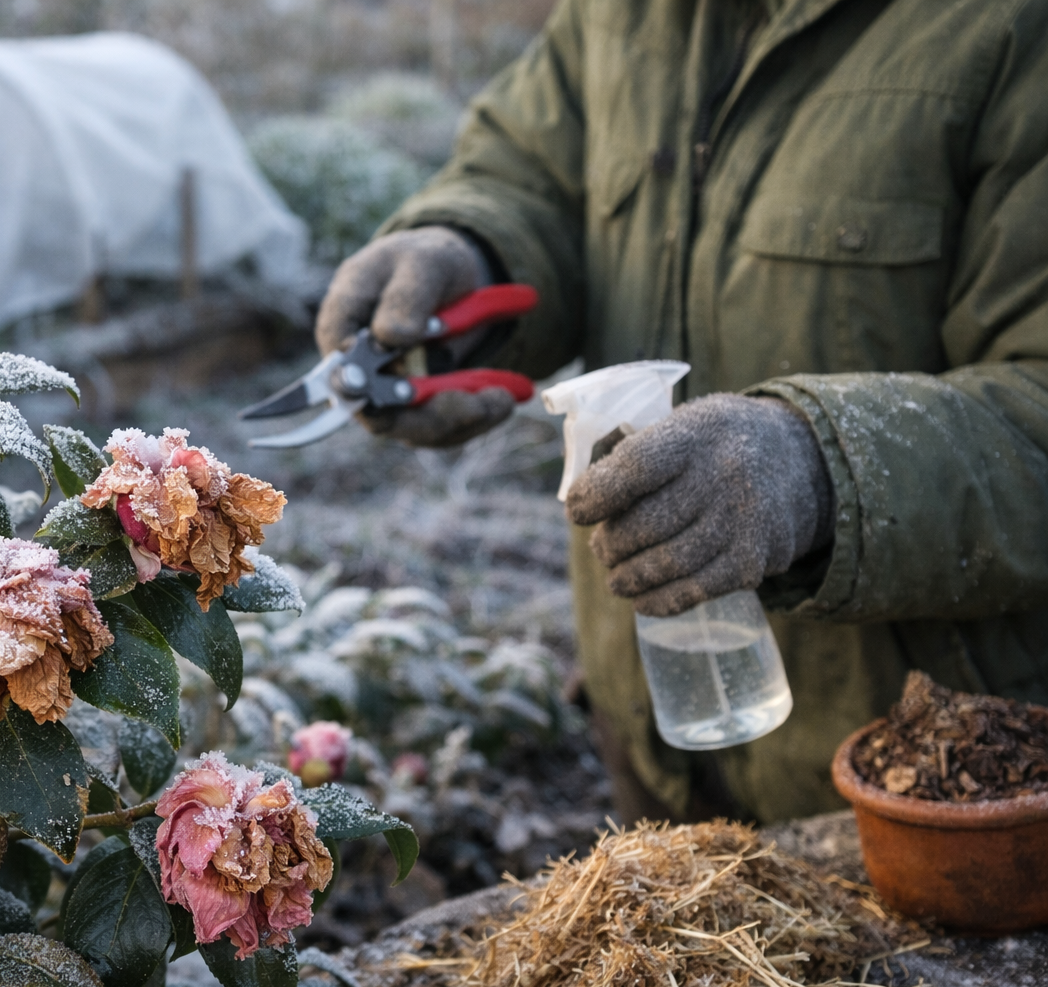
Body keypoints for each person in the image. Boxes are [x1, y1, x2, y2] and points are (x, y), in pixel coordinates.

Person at [315, 0, 1048, 824]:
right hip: (652, 737)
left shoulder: (1010, 31)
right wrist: (470, 252)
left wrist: (817, 465)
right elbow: (532, 176)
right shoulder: (620, 16)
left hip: (930, 790)